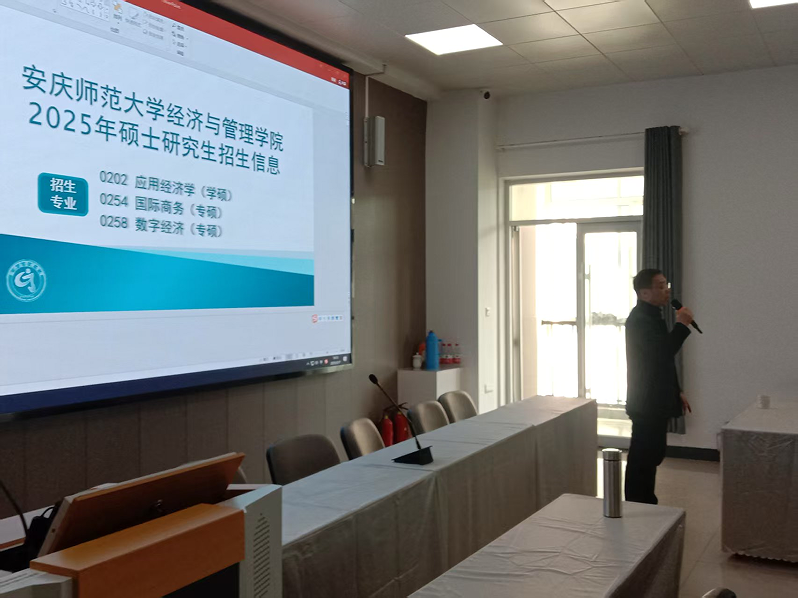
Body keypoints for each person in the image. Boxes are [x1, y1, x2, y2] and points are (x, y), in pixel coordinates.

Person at [625, 268, 693, 504]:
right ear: (644, 293)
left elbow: (663, 363)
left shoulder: (653, 316)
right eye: (661, 286)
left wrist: (677, 391)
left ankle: (645, 502)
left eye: (667, 285)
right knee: (643, 457)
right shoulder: (639, 321)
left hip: (655, 398)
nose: (667, 291)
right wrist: (682, 326)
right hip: (646, 401)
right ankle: (637, 503)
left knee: (653, 454)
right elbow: (663, 353)